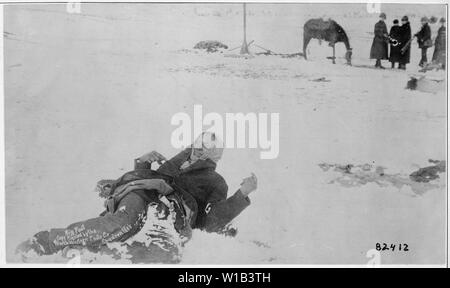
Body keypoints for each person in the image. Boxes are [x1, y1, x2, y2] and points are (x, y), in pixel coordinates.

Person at [16, 132, 258, 262]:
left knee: (164, 256)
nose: (199, 149)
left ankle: (91, 255)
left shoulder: (216, 182)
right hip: (144, 195)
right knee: (124, 223)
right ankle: (47, 241)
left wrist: (241, 195)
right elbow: (147, 180)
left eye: (206, 148)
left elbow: (210, 221)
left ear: (214, 156)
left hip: (171, 215)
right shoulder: (174, 162)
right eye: (198, 143)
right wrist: (143, 163)